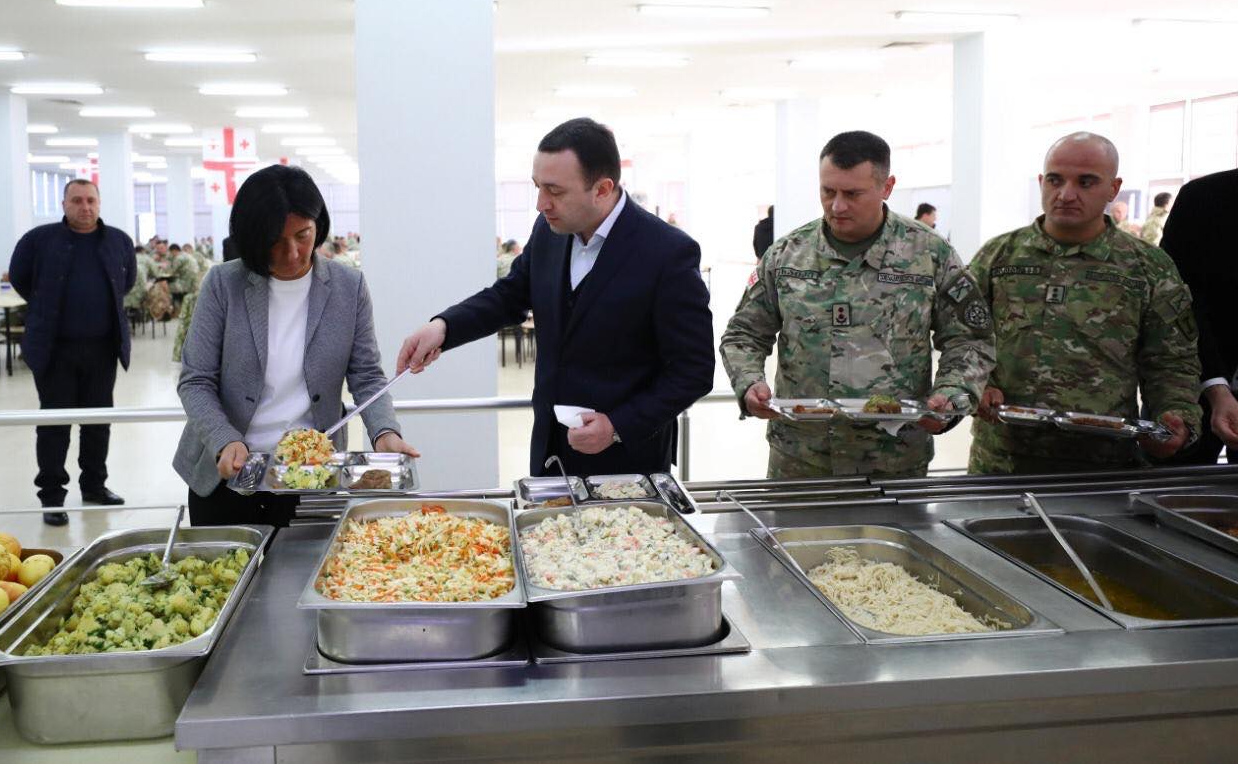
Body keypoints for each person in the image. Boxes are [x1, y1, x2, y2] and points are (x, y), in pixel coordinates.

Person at [396, 117, 715, 477]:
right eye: (537, 187)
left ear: (602, 189)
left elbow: (694, 370)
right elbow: (510, 295)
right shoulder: (550, 232)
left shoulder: (666, 252)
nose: (540, 204)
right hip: (551, 454)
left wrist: (617, 426)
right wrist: (443, 327)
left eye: (554, 191)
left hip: (627, 464)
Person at [720, 131, 994, 479]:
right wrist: (749, 382)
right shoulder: (787, 255)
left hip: (894, 459)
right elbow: (743, 334)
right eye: (828, 191)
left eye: (852, 194)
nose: (837, 206)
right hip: (801, 458)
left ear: (887, 187)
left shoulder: (929, 254)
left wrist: (951, 394)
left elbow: (970, 339)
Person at [175, 165, 418, 526]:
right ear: (252, 238)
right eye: (275, 241)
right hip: (227, 473)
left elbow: (367, 376)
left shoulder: (348, 287)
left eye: (303, 235)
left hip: (312, 474)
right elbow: (195, 380)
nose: (292, 254)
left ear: (318, 225)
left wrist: (384, 432)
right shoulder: (223, 285)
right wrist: (224, 439)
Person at [969, 133, 1201, 474]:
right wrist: (977, 383)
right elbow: (964, 338)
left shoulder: (1147, 267)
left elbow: (1171, 361)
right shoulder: (998, 256)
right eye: (1055, 180)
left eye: (1086, 182)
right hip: (1001, 462)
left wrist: (1176, 416)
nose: (1066, 194)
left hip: (1104, 466)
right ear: (1041, 182)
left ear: (1113, 188)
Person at [8, 179, 135, 525]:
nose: (85, 207)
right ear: (63, 204)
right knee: (55, 425)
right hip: (54, 351)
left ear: (99, 203)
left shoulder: (119, 241)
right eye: (77, 200)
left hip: (102, 350)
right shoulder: (38, 240)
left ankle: (94, 486)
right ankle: (52, 497)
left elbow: (126, 283)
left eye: (91, 200)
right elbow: (20, 278)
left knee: (97, 423)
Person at [1159, 169, 1238, 464]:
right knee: (1178, 481)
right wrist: (1215, 387)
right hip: (1195, 384)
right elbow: (1177, 300)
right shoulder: (1203, 197)